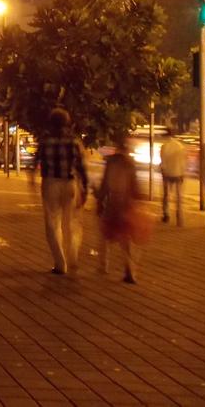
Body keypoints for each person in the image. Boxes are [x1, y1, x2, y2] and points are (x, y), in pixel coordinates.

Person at [33, 108, 88, 275]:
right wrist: (84, 187)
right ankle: (73, 255)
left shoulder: (45, 141)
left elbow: (35, 164)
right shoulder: (74, 142)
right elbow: (81, 167)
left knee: (52, 224)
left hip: (50, 184)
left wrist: (32, 184)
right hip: (70, 184)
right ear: (67, 123)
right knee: (72, 222)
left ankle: (60, 263)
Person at [95, 142, 141, 283]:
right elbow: (135, 186)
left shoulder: (111, 162)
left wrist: (99, 200)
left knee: (105, 234)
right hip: (126, 204)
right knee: (125, 238)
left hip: (113, 203)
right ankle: (129, 270)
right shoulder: (130, 163)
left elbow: (105, 184)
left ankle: (103, 265)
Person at [159, 127, 187, 226]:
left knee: (167, 195)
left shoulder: (164, 146)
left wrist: (163, 171)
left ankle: (166, 214)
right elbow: (184, 161)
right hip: (178, 173)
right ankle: (179, 218)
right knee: (179, 197)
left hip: (167, 174)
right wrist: (183, 172)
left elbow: (162, 162)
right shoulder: (180, 146)